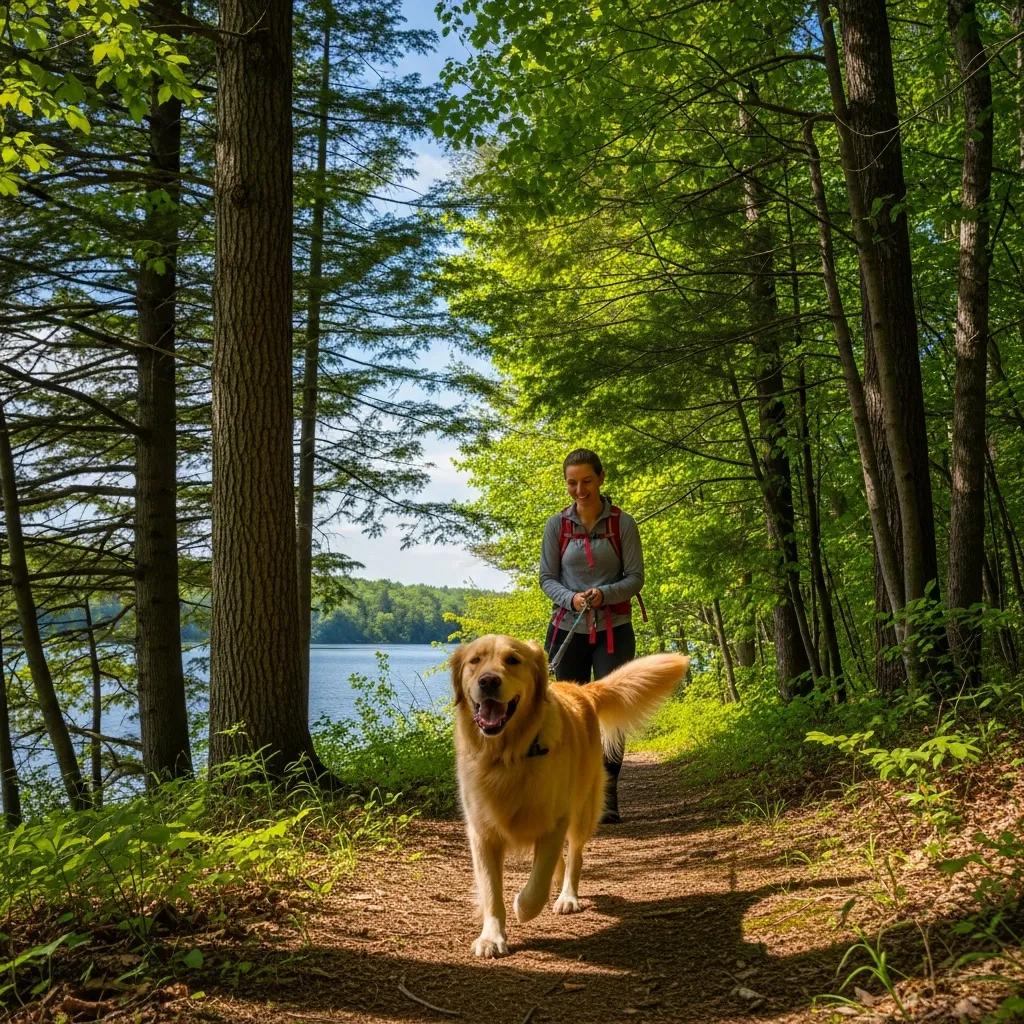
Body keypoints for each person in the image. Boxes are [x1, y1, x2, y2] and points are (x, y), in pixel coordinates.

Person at [540, 448, 645, 824]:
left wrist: (604, 595)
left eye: (586, 481)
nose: (579, 489)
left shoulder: (623, 524)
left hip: (613, 630)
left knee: (610, 711)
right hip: (567, 628)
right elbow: (546, 579)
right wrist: (572, 598)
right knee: (568, 711)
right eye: (572, 483)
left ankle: (608, 792)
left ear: (600, 478)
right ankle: (571, 791)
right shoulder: (557, 525)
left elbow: (635, 578)